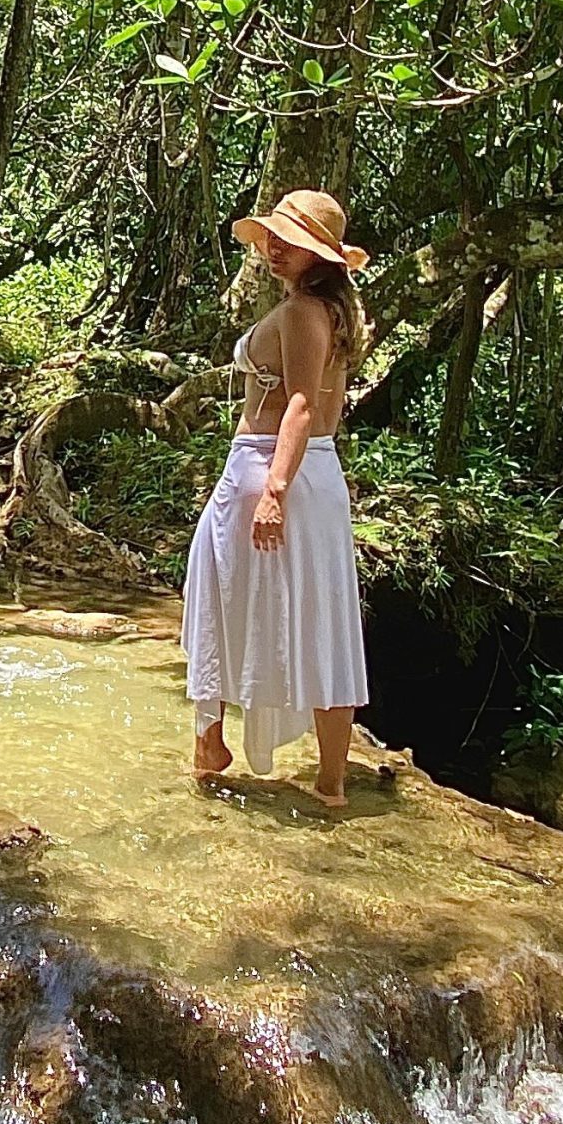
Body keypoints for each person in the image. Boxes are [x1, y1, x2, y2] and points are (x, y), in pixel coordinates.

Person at [181, 188, 372, 806]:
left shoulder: (298, 314)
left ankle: (209, 748)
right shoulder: (331, 313)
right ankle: (332, 785)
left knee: (216, 592)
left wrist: (273, 492)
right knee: (326, 617)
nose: (274, 248)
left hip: (270, 466)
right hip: (320, 474)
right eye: (273, 237)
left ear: (320, 255)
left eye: (290, 241)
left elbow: (299, 404)